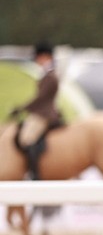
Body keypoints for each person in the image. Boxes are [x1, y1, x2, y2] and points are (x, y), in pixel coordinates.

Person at [8, 42, 62, 180]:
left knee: (26, 138)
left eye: (38, 57)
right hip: (42, 111)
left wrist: (21, 109)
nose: (37, 61)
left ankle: (34, 172)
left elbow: (40, 98)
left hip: (45, 114)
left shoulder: (50, 76)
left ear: (45, 56)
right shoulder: (47, 74)